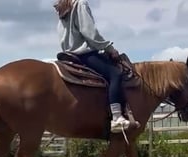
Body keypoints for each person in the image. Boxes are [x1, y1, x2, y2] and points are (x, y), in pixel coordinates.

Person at [54, 0, 133, 133]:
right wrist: (109, 48)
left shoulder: (63, 6)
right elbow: (89, 32)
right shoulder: (80, 3)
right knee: (115, 74)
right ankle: (117, 117)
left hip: (68, 53)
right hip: (83, 54)